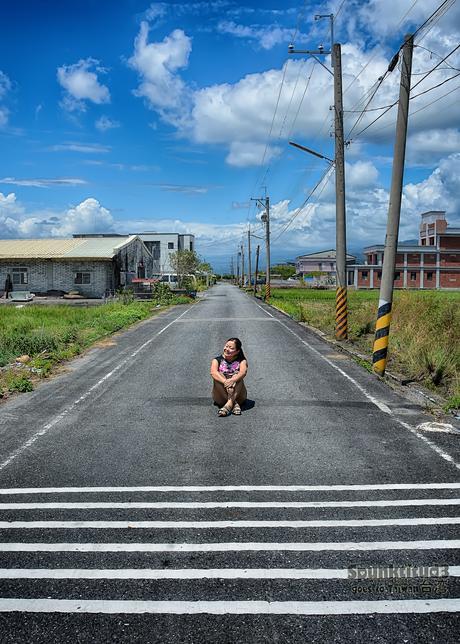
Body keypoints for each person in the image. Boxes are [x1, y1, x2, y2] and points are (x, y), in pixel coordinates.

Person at [210, 337, 248, 416]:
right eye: (226, 346)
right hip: (220, 397)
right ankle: (233, 404)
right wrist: (226, 382)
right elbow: (213, 372)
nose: (227, 349)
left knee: (237, 376)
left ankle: (229, 403)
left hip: (239, 396)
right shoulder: (216, 360)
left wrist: (233, 380)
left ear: (237, 351)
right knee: (218, 376)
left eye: (231, 348)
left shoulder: (242, 361)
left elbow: (243, 372)